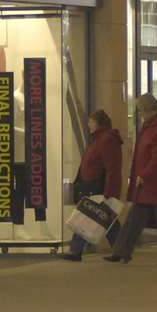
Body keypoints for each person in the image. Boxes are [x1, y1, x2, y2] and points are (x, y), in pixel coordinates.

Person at [105, 94, 157, 266]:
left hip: (155, 182)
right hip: (147, 182)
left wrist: (144, 174)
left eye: (141, 110)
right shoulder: (149, 127)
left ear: (148, 110)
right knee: (135, 220)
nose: (140, 114)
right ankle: (122, 251)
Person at [64, 110, 122, 261]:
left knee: (90, 215)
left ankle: (76, 251)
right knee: (102, 218)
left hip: (98, 186)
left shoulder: (106, 140)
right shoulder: (98, 139)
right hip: (92, 185)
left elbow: (112, 168)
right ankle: (121, 249)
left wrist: (110, 192)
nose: (89, 124)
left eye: (91, 121)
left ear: (98, 123)